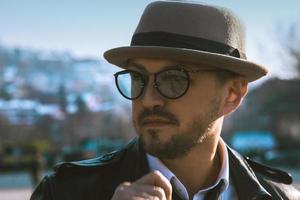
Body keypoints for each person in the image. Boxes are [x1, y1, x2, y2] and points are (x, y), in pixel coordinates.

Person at [30, 1, 300, 199]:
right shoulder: (64, 192)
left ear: (232, 94)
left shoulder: (281, 196)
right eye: (138, 77)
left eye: (174, 79)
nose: (148, 100)